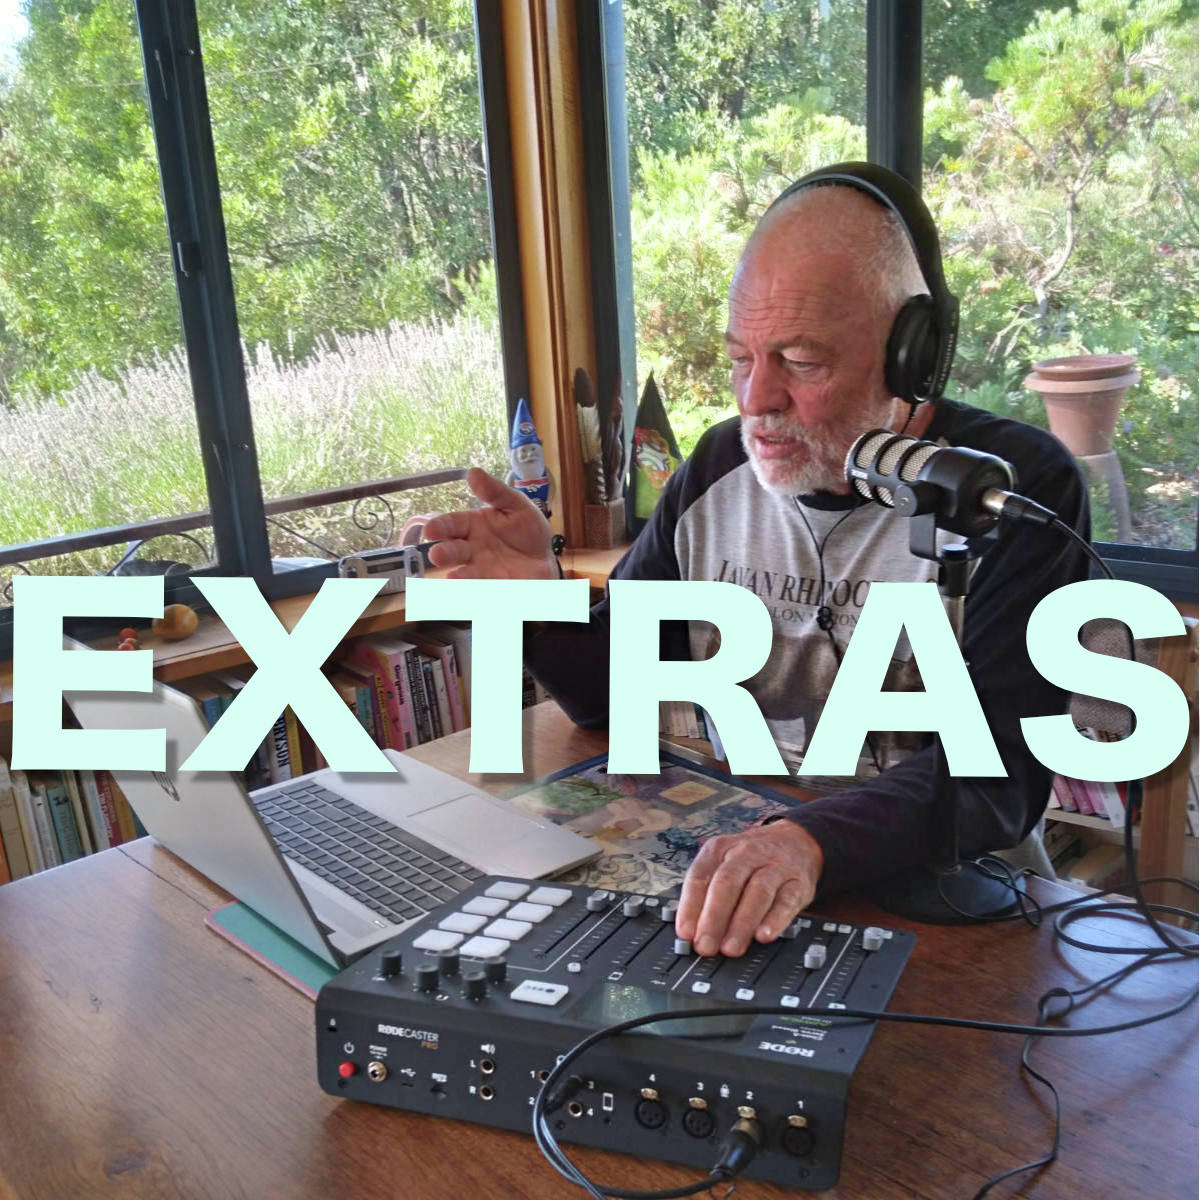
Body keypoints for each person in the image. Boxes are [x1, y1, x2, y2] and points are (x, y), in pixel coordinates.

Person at [425, 170, 1089, 958]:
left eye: (800, 362)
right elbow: (614, 692)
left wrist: (803, 842)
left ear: (912, 359)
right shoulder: (715, 466)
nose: (756, 397)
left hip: (950, 910)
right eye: (741, 357)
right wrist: (538, 605)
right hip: (745, 888)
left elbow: (999, 773)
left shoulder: (1008, 491)